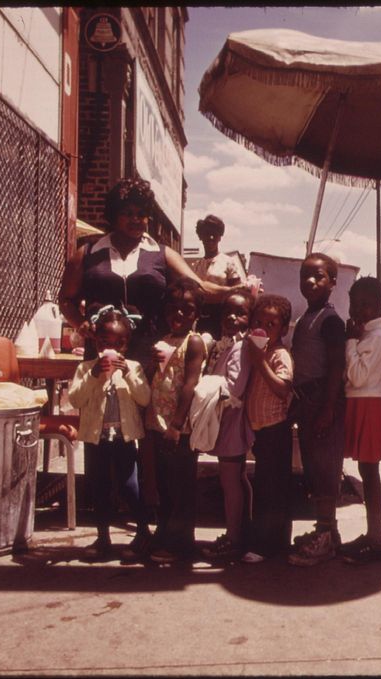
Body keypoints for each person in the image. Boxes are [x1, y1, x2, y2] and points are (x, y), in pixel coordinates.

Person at [58, 178, 236, 509]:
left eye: (142, 214)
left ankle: (149, 507)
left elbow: (196, 285)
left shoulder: (160, 253)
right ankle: (104, 512)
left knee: (149, 433)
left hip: (151, 357)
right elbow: (66, 299)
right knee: (102, 427)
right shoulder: (88, 253)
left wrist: (233, 292)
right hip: (105, 356)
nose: (137, 220)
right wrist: (80, 325)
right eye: (129, 213)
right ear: (113, 216)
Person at [67, 306, 153, 559]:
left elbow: (145, 399)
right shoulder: (86, 369)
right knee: (99, 487)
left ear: (126, 345)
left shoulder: (133, 367)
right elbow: (75, 399)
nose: (111, 347)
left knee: (130, 486)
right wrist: (94, 375)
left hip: (123, 438)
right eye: (105, 342)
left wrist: (127, 373)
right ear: (96, 341)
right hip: (96, 439)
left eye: (118, 343)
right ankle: (102, 536)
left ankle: (142, 532)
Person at [287, 253, 347, 567]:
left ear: (333, 283)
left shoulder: (331, 320)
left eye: (319, 276)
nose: (310, 281)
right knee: (313, 468)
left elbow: (337, 367)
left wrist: (327, 408)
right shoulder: (307, 316)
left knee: (325, 470)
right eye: (305, 275)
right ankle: (327, 532)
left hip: (325, 402)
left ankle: (326, 536)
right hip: (307, 403)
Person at [143, 280, 206, 564]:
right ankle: (165, 533)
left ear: (196, 315)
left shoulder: (193, 342)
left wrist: (177, 425)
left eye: (186, 310)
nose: (178, 314)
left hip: (177, 428)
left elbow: (189, 384)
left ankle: (181, 543)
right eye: (172, 309)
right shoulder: (164, 339)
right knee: (165, 484)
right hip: (157, 424)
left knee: (182, 486)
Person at [339, 277, 381, 564]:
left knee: (370, 474)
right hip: (358, 403)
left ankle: (375, 538)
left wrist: (349, 342)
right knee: (364, 468)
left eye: (366, 304)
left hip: (369, 406)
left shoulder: (376, 338)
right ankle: (371, 535)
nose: (358, 309)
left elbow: (357, 377)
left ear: (380, 305)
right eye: (354, 304)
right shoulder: (364, 335)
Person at [201, 291, 255, 562]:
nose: (233, 318)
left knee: (230, 480)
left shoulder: (242, 347)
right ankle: (239, 531)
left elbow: (234, 386)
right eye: (228, 313)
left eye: (241, 313)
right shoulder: (227, 344)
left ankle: (235, 537)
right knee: (236, 478)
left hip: (231, 420)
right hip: (226, 420)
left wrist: (205, 389)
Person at [246, 294, 296, 560]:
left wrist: (260, 361)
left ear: (284, 329)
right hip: (261, 431)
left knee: (274, 489)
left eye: (272, 325)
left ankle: (270, 546)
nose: (264, 329)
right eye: (259, 322)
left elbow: (282, 389)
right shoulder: (257, 351)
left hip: (276, 429)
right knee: (264, 486)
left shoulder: (279, 355)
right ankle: (267, 542)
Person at [189, 214, 247, 341]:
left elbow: (237, 291)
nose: (211, 237)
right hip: (200, 317)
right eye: (207, 233)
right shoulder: (196, 266)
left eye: (215, 234)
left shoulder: (227, 262)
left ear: (220, 237)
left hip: (222, 317)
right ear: (200, 236)